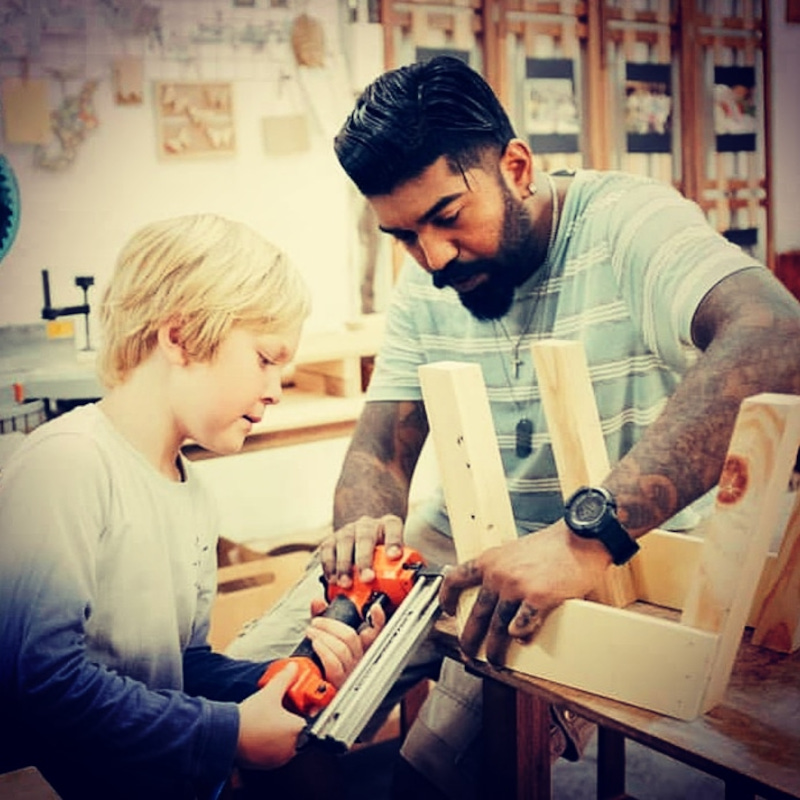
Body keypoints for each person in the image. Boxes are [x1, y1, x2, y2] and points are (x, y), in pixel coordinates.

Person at [227, 56, 800, 799]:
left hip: (614, 553)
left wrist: (584, 536)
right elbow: (381, 444)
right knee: (241, 704)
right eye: (402, 235)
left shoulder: (627, 224)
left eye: (446, 217)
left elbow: (778, 336)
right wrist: (364, 538)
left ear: (518, 167)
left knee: (428, 778)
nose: (430, 257)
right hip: (462, 542)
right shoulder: (428, 278)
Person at [0, 214, 386, 800]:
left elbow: (181, 668)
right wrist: (226, 735)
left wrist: (272, 676)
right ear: (179, 338)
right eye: (264, 358)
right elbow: (43, 684)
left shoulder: (193, 494)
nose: (276, 387)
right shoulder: (68, 464)